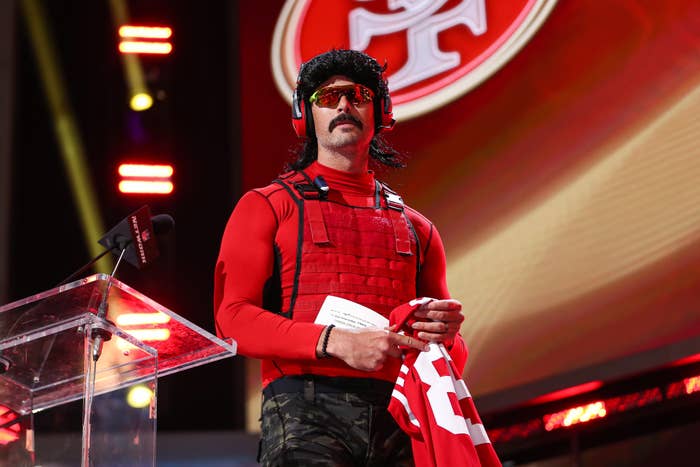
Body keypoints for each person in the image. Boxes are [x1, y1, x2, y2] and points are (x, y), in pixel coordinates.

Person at [214, 49, 467, 466]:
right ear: (305, 117)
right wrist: (336, 342)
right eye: (327, 98)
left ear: (380, 111)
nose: (344, 105)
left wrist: (448, 336)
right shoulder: (266, 205)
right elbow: (232, 319)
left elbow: (451, 357)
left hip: (402, 418)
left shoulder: (419, 228)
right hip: (305, 413)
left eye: (358, 95)